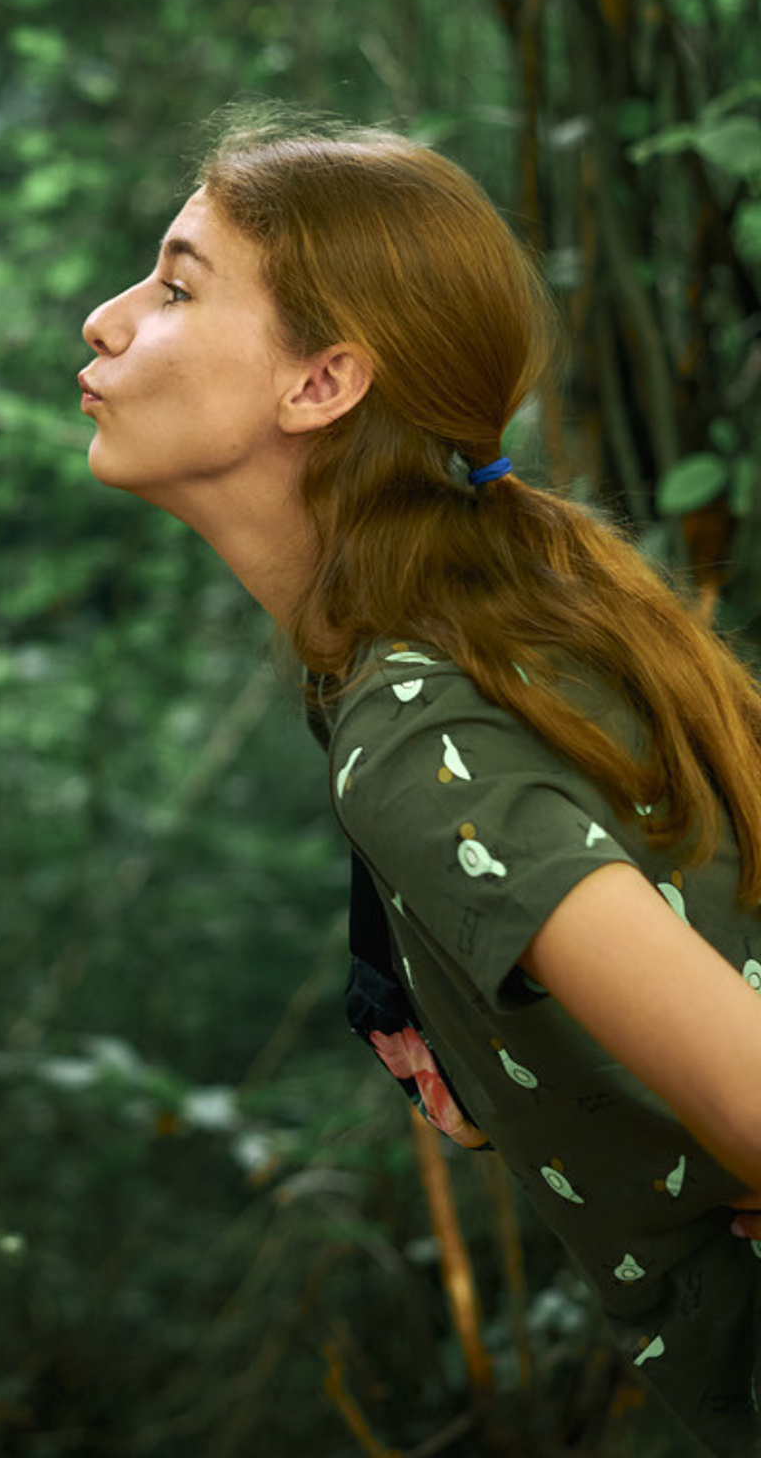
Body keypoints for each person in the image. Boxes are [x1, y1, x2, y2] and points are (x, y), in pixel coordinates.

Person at [78, 117, 761, 1454]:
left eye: (177, 288)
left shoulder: (415, 727)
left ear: (323, 381)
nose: (107, 321)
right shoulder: (498, 634)